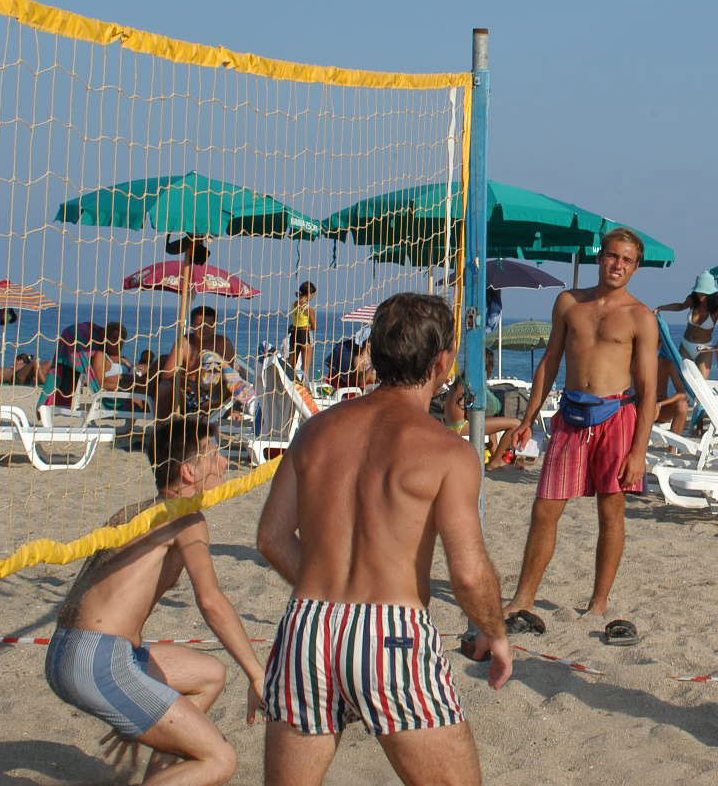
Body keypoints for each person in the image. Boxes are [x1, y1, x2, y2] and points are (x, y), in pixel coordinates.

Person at [255, 292, 512, 786]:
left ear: (372, 352)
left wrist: (326, 588)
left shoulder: (315, 431)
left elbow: (271, 536)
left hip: (308, 623)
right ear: (444, 361)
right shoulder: (446, 451)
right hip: (392, 630)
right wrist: (495, 633)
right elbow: (468, 571)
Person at [45, 415, 264, 785]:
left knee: (210, 675)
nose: (225, 462)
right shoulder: (185, 518)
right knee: (219, 760)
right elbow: (211, 602)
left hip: (67, 651)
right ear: (189, 472)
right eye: (214, 453)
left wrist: (139, 711)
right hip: (98, 661)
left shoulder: (134, 513)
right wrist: (257, 674)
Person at [506, 228, 658, 645]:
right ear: (600, 257)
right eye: (612, 256)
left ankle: (599, 601)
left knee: (611, 512)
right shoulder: (569, 303)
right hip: (571, 416)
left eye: (627, 260)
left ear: (635, 266)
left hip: (617, 417)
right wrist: (528, 417)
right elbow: (549, 361)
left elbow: (648, 392)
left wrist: (639, 451)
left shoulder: (641, 317)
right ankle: (524, 597)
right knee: (545, 508)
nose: (618, 265)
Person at [656, 272, 718, 377]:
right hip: (686, 346)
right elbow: (680, 306)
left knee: (702, 384)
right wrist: (661, 308)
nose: (700, 295)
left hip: (704, 349)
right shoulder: (692, 300)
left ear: (711, 293)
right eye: (699, 291)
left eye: (704, 292)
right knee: (683, 380)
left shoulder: (717, 310)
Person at [286, 281, 317, 381]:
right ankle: (304, 384)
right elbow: (314, 326)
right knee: (306, 367)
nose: (312, 297)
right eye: (312, 295)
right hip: (304, 334)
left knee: (291, 364)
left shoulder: (294, 305)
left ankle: (289, 381)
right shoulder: (309, 309)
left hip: (294, 334)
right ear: (309, 294)